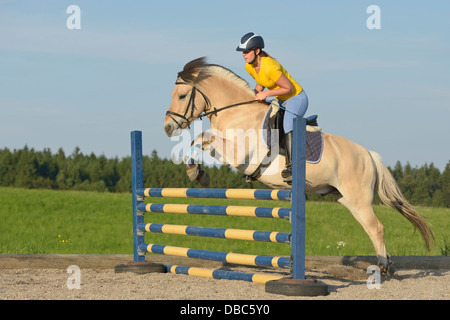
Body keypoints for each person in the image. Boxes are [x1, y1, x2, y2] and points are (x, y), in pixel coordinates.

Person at [236, 32, 308, 182]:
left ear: (257, 51)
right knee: (267, 125)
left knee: (288, 123)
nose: (244, 55)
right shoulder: (249, 67)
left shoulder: (270, 66)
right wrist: (255, 94)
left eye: (247, 51)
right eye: (243, 52)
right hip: (281, 100)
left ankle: (292, 166)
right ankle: (261, 166)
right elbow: (261, 81)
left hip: (296, 98)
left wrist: (266, 94)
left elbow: (288, 88)